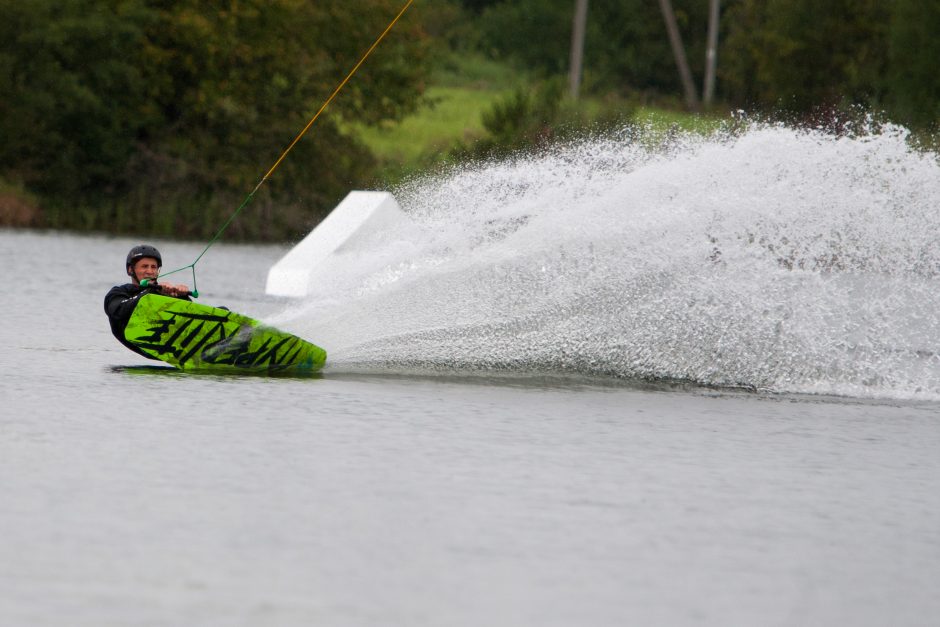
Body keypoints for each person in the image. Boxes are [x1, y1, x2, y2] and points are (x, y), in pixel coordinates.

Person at [104, 244, 191, 358]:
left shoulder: (164, 293)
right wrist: (152, 291)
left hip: (177, 340)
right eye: (144, 266)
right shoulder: (118, 293)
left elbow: (190, 319)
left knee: (222, 310)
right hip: (146, 342)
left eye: (153, 267)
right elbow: (118, 311)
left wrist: (182, 296)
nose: (150, 271)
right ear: (131, 270)